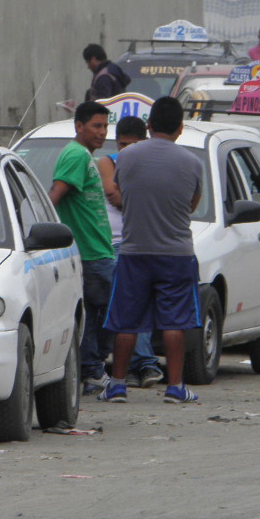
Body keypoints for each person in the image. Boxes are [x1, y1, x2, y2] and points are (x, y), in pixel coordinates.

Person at [101, 96, 205, 405]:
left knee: (126, 320)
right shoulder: (192, 162)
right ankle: (175, 387)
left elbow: (120, 194)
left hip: (134, 251)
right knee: (174, 321)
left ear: (148, 125)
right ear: (180, 128)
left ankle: (117, 385)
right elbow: (192, 206)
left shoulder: (128, 157)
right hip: (177, 253)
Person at [47, 101, 119, 393]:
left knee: (100, 312)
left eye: (105, 126)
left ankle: (91, 369)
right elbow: (55, 194)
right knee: (98, 315)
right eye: (96, 126)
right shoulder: (76, 155)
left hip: (99, 249)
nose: (102, 132)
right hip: (88, 253)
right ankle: (91, 371)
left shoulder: (85, 155)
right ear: (79, 126)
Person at [95, 115, 165, 389]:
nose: (127, 151)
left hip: (140, 242)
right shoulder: (107, 162)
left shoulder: (151, 165)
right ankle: (139, 363)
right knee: (122, 305)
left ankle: (143, 365)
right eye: (122, 145)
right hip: (111, 244)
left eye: (132, 146)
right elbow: (113, 194)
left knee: (138, 305)